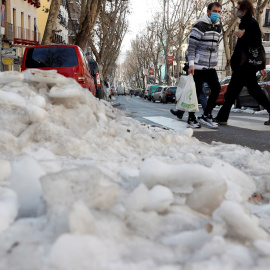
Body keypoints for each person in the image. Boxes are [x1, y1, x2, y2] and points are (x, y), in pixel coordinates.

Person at [214, 0, 270, 126]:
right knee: (244, 91)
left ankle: (222, 117)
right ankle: (222, 117)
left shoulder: (251, 22)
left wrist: (241, 36)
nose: (236, 10)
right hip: (244, 65)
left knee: (237, 92)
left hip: (245, 66)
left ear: (244, 10)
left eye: (238, 8)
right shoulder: (246, 22)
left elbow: (256, 43)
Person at [185, 2, 222, 128]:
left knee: (216, 88)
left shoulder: (218, 28)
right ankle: (191, 118)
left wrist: (215, 60)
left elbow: (216, 46)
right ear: (208, 12)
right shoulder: (199, 25)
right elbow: (192, 47)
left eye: (219, 11)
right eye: (215, 11)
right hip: (198, 66)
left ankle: (206, 115)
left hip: (210, 67)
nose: (217, 14)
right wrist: (191, 64)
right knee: (195, 92)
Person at [170, 52, 208, 119]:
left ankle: (207, 114)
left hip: (196, 74)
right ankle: (180, 113)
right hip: (196, 74)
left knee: (200, 95)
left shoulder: (198, 48)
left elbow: (194, 59)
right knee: (188, 94)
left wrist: (188, 56)